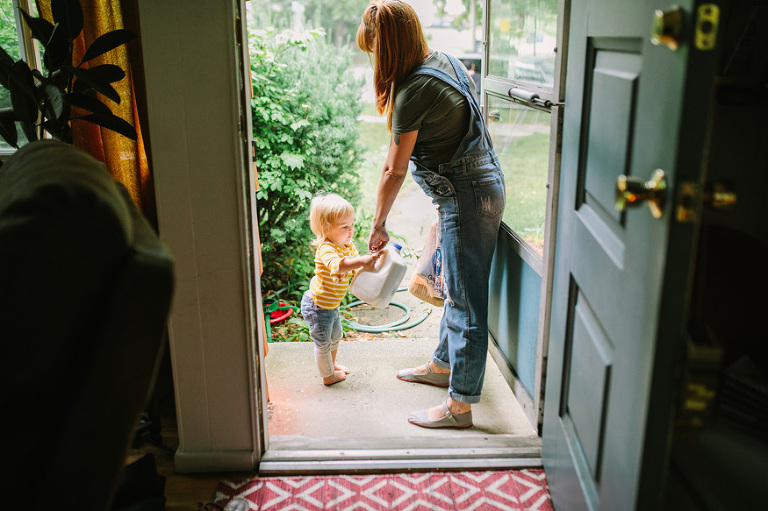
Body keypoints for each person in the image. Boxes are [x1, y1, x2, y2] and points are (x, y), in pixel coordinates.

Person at [357, 0, 505, 428]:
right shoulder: (443, 60)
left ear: (388, 49)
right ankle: (443, 367)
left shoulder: (411, 92)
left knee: (465, 303)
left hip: (466, 198)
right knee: (458, 290)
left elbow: (393, 170)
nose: (374, 61)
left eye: (375, 51)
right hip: (478, 189)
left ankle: (460, 407)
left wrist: (377, 224)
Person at [300, 193, 380, 386]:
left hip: (330, 305)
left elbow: (354, 269)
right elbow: (338, 266)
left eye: (351, 225)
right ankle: (328, 376)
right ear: (326, 229)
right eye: (344, 227)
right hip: (318, 306)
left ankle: (331, 365)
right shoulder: (326, 249)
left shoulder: (347, 245)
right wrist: (361, 261)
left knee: (335, 337)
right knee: (323, 342)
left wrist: (369, 266)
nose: (350, 231)